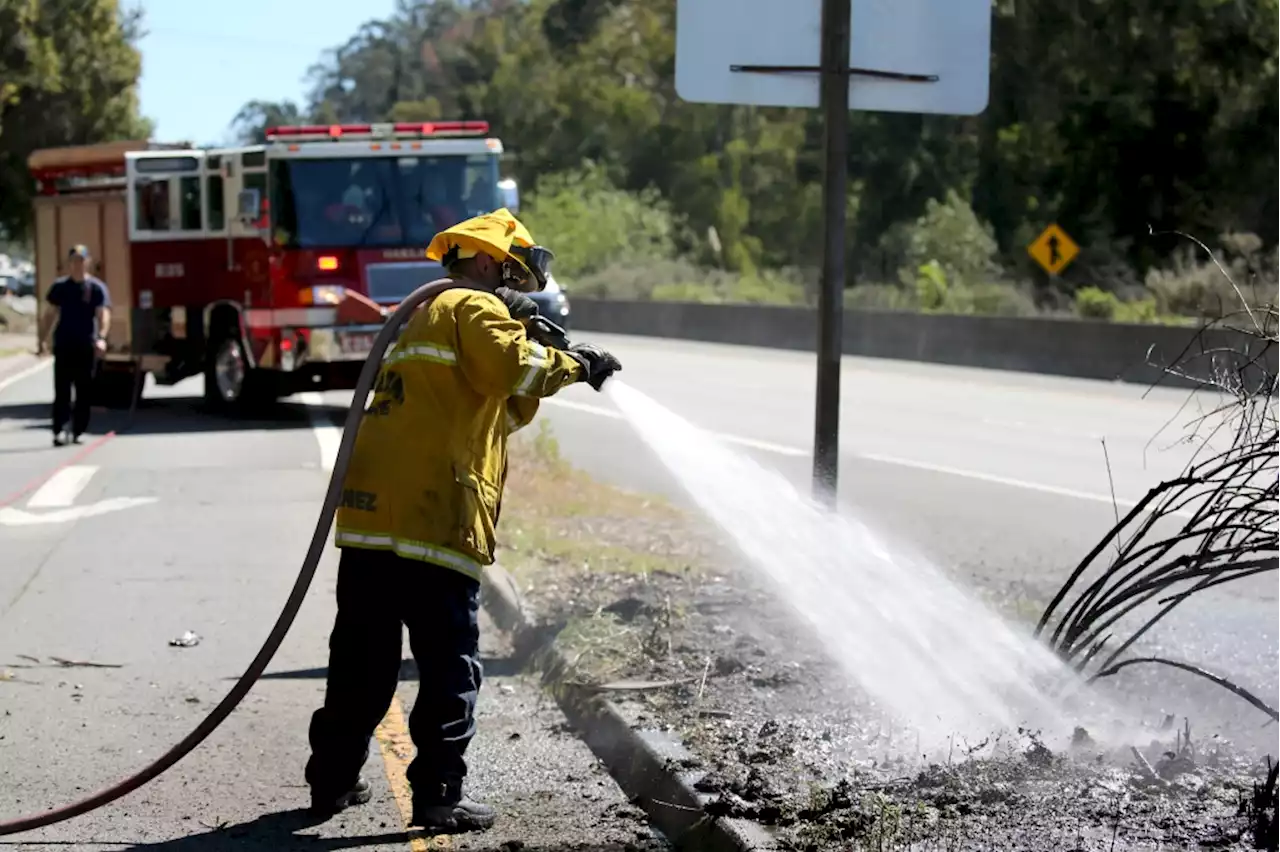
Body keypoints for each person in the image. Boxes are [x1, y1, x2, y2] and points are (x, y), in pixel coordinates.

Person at [304, 208, 622, 834]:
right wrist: (574, 364)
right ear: (485, 262)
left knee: (361, 663)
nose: (515, 293)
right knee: (450, 667)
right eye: (510, 276)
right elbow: (506, 371)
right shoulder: (476, 311)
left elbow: (492, 412)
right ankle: (439, 796)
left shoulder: (419, 316)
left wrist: (534, 349)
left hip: (373, 522)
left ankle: (333, 781)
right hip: (435, 518)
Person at [37, 245, 111, 446]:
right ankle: (59, 429)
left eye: (81, 260)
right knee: (62, 389)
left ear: (87, 262)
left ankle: (78, 430)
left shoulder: (95, 288)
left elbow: (102, 314)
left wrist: (102, 337)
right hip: (64, 343)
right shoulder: (60, 287)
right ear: (69, 264)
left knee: (84, 390)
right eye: (74, 261)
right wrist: (42, 339)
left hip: (86, 344)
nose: (77, 264)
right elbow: (50, 314)